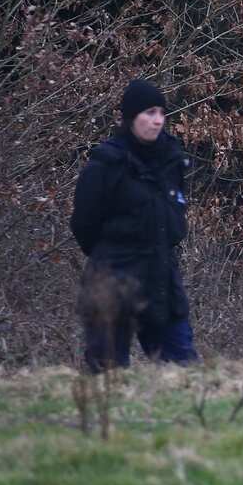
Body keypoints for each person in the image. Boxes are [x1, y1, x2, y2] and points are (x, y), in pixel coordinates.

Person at [70, 79, 200, 373]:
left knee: (184, 373)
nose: (157, 120)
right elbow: (83, 224)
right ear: (131, 117)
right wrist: (112, 257)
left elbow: (174, 221)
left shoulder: (172, 160)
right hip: (113, 281)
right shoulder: (105, 164)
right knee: (107, 375)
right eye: (149, 112)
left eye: (162, 113)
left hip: (162, 281)